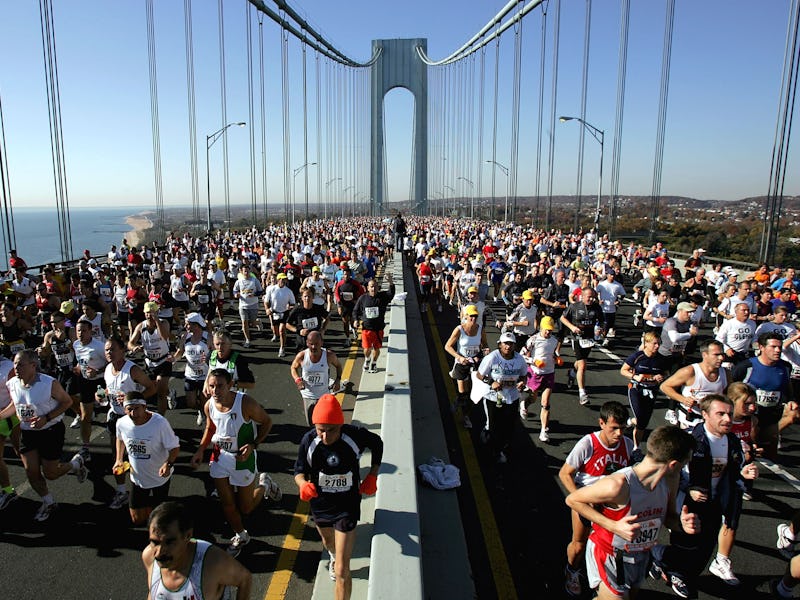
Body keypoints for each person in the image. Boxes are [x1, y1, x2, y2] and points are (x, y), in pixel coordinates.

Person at [565, 425, 699, 600]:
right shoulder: (619, 484)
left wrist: (682, 524)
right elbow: (573, 499)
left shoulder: (670, 480)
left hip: (641, 554)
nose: (686, 468)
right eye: (685, 463)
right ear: (673, 464)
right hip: (612, 555)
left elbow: (669, 519)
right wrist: (613, 525)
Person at [649, 395, 758, 596]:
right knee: (686, 544)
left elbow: (735, 470)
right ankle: (669, 566)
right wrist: (687, 489)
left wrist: (743, 474)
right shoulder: (689, 440)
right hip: (687, 503)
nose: (727, 419)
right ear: (705, 415)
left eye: (730, 414)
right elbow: (668, 471)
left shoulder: (733, 442)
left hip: (715, 502)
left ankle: (673, 566)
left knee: (705, 548)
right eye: (721, 414)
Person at [294, 393, 383, 599]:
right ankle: (333, 555)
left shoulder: (354, 436)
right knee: (328, 542)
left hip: (347, 505)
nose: (325, 436)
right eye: (320, 430)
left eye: (331, 430)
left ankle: (339, 563)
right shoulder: (309, 441)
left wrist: (372, 475)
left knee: (343, 569)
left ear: (340, 425)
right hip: (321, 506)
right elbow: (299, 471)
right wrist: (303, 484)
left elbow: (377, 444)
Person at [191, 368, 281, 557]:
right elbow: (210, 426)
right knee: (227, 503)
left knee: (246, 507)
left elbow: (267, 422)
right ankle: (241, 535)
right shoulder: (209, 405)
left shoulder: (245, 404)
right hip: (220, 457)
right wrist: (201, 449)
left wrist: (253, 445)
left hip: (242, 460)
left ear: (230, 385)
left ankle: (265, 485)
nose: (215, 391)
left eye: (220, 386)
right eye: (212, 386)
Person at [0, 350, 88, 522]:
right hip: (27, 432)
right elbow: (15, 404)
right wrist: (1, 415)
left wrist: (46, 418)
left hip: (50, 431)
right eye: (15, 363)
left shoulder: (48, 383)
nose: (16, 367)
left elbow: (67, 402)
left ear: (33, 366)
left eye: (21, 364)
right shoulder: (13, 383)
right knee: (31, 472)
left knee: (51, 473)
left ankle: (75, 464)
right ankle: (48, 502)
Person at [559, 401, 634, 597]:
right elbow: (565, 474)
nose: (618, 433)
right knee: (579, 545)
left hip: (613, 505)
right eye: (614, 428)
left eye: (622, 428)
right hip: (587, 500)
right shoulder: (588, 443)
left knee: (612, 547)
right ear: (601, 423)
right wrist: (579, 499)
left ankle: (606, 583)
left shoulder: (627, 444)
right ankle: (572, 570)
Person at [143, 501, 253, 600]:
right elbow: (154, 592)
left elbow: (244, 579)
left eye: (169, 542)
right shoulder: (149, 557)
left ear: (188, 535)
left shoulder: (213, 562)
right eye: (155, 542)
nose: (159, 552)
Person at [115, 393, 179, 524]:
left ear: (144, 407)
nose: (133, 413)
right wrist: (119, 459)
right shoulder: (122, 423)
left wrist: (168, 464)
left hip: (159, 478)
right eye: (129, 409)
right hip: (137, 478)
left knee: (160, 521)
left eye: (137, 408)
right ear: (124, 409)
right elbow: (120, 439)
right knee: (136, 518)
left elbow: (174, 447)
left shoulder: (159, 423)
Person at [731, 331, 794, 461]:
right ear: (761, 347)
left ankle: (766, 438)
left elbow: (787, 387)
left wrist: (791, 400)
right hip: (751, 415)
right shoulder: (746, 367)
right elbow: (730, 388)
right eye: (773, 347)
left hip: (772, 414)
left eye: (780, 347)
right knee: (749, 457)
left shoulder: (785, 367)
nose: (777, 350)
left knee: (771, 456)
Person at [476, 331, 528, 464]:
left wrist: (522, 383)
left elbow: (523, 375)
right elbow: (480, 375)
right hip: (494, 397)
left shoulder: (519, 359)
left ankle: (501, 449)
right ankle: (492, 450)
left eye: (511, 344)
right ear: (500, 344)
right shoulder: (492, 358)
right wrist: (491, 382)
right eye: (505, 343)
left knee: (509, 426)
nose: (508, 347)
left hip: (512, 397)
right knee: (494, 427)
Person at [660, 340, 727, 431]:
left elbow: (729, 395)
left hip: (713, 422)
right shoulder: (690, 371)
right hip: (691, 422)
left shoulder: (726, 373)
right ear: (704, 355)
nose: (721, 358)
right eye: (716, 355)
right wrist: (683, 399)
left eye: (722, 354)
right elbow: (665, 386)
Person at [619, 332, 667, 451]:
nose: (657, 346)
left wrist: (661, 377)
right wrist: (635, 377)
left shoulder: (661, 359)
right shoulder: (637, 356)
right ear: (646, 344)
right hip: (636, 389)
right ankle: (631, 427)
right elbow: (623, 370)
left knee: (643, 423)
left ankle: (636, 446)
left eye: (659, 344)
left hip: (651, 391)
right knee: (639, 418)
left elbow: (666, 373)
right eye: (654, 343)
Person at [445, 304, 489, 429]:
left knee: (473, 393)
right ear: (466, 316)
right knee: (463, 392)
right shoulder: (459, 329)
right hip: (462, 364)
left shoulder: (480, 329)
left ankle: (466, 417)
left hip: (475, 363)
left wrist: (485, 351)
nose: (473, 319)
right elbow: (447, 346)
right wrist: (459, 357)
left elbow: (484, 344)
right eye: (471, 316)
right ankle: (458, 399)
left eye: (475, 316)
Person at [560, 287, 605, 405]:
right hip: (577, 338)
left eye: (592, 297)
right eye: (588, 297)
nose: (591, 299)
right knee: (583, 365)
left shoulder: (597, 307)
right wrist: (572, 328)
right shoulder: (575, 306)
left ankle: (572, 373)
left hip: (589, 339)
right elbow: (563, 318)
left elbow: (601, 321)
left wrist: (600, 330)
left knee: (581, 363)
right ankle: (582, 393)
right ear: (582, 296)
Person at [72, 318, 108, 461]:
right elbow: (81, 360)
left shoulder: (99, 347)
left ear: (90, 331)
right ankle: (85, 446)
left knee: (107, 406)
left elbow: (112, 364)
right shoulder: (76, 345)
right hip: (86, 383)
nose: (81, 333)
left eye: (84, 331)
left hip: (100, 383)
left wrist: (98, 372)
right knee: (85, 417)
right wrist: (78, 368)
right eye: (78, 331)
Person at [290, 331, 343, 426]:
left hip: (323, 395)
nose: (314, 347)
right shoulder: (302, 356)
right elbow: (293, 367)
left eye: (317, 344)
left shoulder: (328, 356)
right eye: (311, 344)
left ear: (322, 343)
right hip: (308, 396)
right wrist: (298, 380)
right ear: (307, 343)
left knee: (324, 423)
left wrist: (338, 380)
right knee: (311, 424)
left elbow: (338, 366)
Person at [129, 301, 174, 414]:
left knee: (159, 393)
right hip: (149, 363)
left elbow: (164, 337)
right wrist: (134, 348)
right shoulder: (141, 326)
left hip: (164, 361)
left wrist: (157, 320)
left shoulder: (164, 323)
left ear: (157, 312)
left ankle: (160, 420)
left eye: (152, 312)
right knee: (152, 389)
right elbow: (130, 343)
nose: (150, 315)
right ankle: (170, 392)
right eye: (147, 313)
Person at [521, 315, 558, 441]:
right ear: (541, 327)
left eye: (551, 330)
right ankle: (524, 404)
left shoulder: (554, 340)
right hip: (536, 373)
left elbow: (554, 353)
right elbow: (521, 355)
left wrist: (557, 358)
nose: (548, 332)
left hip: (549, 373)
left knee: (546, 403)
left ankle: (543, 431)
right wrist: (533, 361)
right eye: (546, 329)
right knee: (533, 398)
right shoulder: (533, 339)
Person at [172, 312, 211, 426]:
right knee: (191, 403)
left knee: (205, 402)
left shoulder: (207, 337)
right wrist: (173, 359)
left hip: (205, 376)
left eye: (188, 324)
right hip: (190, 376)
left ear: (196, 325)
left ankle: (205, 415)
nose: (185, 326)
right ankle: (200, 410)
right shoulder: (185, 337)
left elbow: (215, 353)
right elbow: (180, 353)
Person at [352, 274, 395, 374]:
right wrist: (355, 320)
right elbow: (355, 311)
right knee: (367, 349)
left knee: (377, 348)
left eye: (375, 286)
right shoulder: (363, 299)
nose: (373, 288)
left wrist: (391, 282)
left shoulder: (382, 297)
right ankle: (367, 359)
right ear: (368, 288)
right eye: (371, 286)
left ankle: (374, 363)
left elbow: (391, 293)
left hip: (378, 329)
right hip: (366, 329)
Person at [0, 353, 19, 510]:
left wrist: (1, 415)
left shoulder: (8, 368)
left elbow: (16, 399)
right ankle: (7, 490)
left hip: (9, 416)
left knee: (21, 450)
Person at [286, 287, 329, 352]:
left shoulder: (318, 308)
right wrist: (299, 331)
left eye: (309, 296)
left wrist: (323, 329)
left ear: (313, 297)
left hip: (316, 341)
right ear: (302, 298)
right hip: (302, 342)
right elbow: (287, 324)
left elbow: (327, 317)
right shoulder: (297, 310)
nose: (307, 298)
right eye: (305, 296)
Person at [264, 273, 296, 357]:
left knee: (282, 330)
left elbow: (293, 304)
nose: (282, 281)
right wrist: (267, 309)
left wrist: (290, 306)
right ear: (278, 280)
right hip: (274, 312)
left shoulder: (288, 291)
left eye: (284, 279)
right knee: (276, 331)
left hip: (284, 312)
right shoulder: (272, 289)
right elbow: (266, 301)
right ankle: (277, 335)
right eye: (281, 279)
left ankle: (282, 348)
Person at [233, 263, 262, 348]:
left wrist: (254, 294)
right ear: (241, 272)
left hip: (253, 304)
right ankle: (247, 340)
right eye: (245, 271)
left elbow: (260, 291)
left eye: (248, 270)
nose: (246, 272)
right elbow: (235, 290)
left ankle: (258, 322)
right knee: (244, 323)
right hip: (243, 305)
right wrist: (236, 295)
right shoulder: (239, 281)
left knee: (252, 323)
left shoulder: (254, 280)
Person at [333, 267, 364, 345]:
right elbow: (336, 293)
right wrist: (339, 304)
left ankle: (354, 331)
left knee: (352, 321)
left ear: (350, 275)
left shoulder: (355, 283)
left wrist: (357, 300)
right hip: (344, 305)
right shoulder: (340, 283)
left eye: (347, 274)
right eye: (344, 274)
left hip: (353, 306)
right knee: (345, 322)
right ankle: (348, 338)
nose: (346, 276)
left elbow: (362, 292)